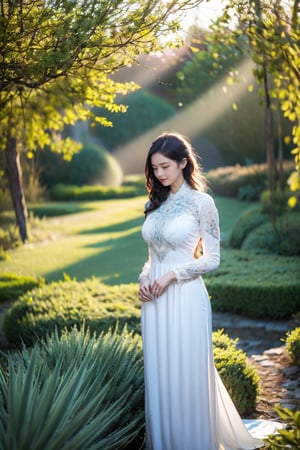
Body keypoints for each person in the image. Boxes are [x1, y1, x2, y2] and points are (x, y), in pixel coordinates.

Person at [138, 132, 283, 450]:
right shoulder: (154, 203)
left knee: (186, 371)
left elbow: (212, 259)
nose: (160, 174)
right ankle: (165, 441)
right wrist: (144, 277)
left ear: (183, 163)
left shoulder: (203, 204)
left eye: (165, 166)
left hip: (186, 296)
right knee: (160, 374)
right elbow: (152, 257)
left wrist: (172, 276)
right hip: (153, 302)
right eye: (155, 168)